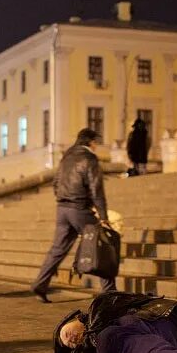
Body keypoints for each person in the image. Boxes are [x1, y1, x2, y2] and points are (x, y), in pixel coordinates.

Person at [31, 128, 117, 302]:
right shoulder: (89, 158)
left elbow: (55, 182)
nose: (97, 146)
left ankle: (40, 284)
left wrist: (63, 199)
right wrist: (103, 217)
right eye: (96, 143)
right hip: (79, 208)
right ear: (91, 142)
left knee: (58, 249)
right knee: (103, 245)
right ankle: (111, 295)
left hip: (62, 208)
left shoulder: (67, 156)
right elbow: (96, 189)